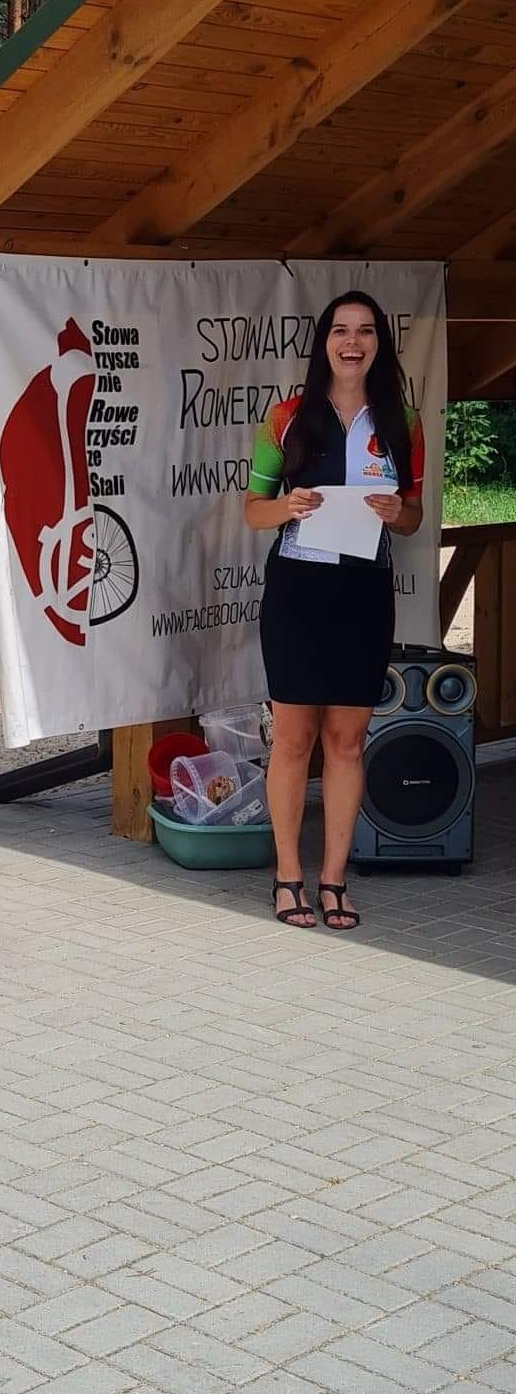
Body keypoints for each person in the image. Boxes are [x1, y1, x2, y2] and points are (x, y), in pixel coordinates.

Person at [245, 291, 425, 932]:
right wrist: (287, 507)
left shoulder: (403, 420)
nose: (353, 342)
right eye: (341, 330)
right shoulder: (286, 417)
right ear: (324, 342)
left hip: (363, 594)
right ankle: (287, 876)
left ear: (380, 343)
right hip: (297, 591)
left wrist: (398, 513)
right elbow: (252, 511)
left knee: (346, 743)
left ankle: (333, 881)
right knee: (294, 740)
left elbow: (414, 517)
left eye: (366, 331)